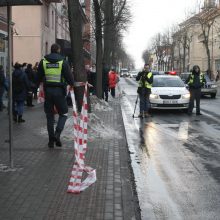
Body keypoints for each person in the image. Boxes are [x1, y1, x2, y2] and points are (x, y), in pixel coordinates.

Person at [37, 43, 74, 148]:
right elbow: (69, 78)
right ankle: (57, 134)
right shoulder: (63, 62)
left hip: (48, 92)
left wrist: (32, 88)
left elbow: (38, 77)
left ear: (51, 50)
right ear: (58, 50)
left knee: (49, 116)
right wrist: (72, 84)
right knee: (64, 113)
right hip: (59, 92)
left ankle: (50, 141)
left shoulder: (43, 62)